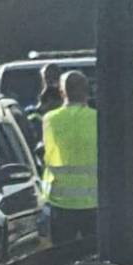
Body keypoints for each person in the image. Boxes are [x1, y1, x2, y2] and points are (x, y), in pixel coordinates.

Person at [42, 71, 98, 245]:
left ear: (61, 92)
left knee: (61, 254)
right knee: (93, 252)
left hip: (59, 201)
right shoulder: (98, 119)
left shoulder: (49, 119)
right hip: (93, 201)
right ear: (87, 91)